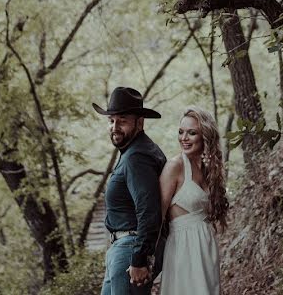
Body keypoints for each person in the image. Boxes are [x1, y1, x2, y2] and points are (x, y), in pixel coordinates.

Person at [94, 86, 167, 295]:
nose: (115, 126)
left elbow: (148, 209)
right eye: (111, 121)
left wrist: (138, 258)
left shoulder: (137, 157)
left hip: (130, 250)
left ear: (140, 122)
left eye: (122, 120)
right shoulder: (133, 151)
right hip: (122, 249)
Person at [158, 106, 229, 295]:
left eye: (191, 133)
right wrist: (145, 256)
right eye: (181, 132)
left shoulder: (208, 169)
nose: (184, 138)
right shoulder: (175, 166)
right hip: (183, 247)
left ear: (205, 135)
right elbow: (157, 216)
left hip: (206, 246)